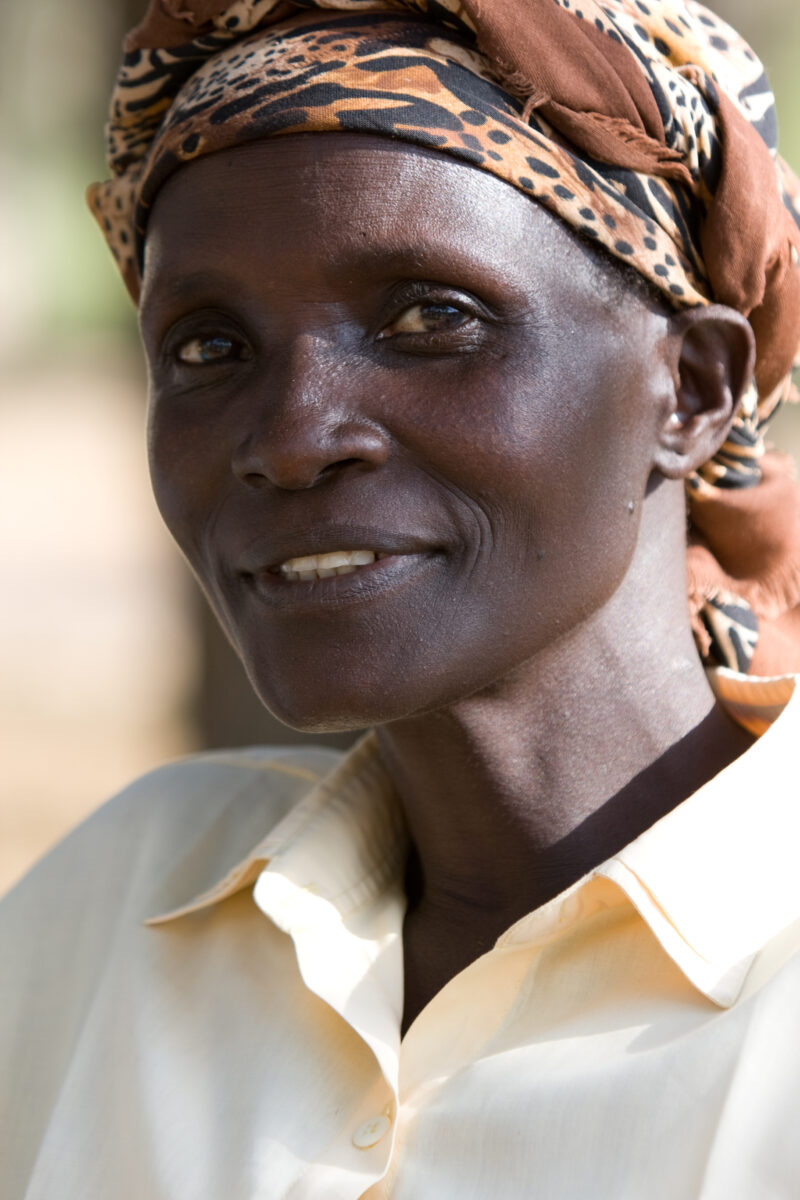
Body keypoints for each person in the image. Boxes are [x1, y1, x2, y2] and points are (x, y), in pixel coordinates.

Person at [3, 0, 800, 1195]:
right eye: (209, 348)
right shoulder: (119, 906)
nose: (289, 438)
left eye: (433, 318)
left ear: (685, 390)